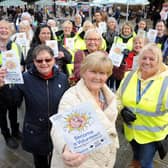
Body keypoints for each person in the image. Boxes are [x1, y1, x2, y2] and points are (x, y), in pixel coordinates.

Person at [0, 45, 69, 168]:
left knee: (57, 159)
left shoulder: (62, 78)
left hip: (58, 130)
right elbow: (13, 102)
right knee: (40, 162)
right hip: (36, 130)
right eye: (39, 60)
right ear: (34, 62)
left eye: (48, 60)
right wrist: (3, 87)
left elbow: (68, 103)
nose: (44, 63)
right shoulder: (25, 78)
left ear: (54, 60)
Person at [50, 51, 119, 168]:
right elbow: (59, 128)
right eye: (93, 72)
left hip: (104, 158)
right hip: (82, 162)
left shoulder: (108, 96)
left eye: (102, 73)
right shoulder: (71, 96)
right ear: (83, 72)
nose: (98, 77)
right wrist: (65, 147)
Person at [116, 43, 168, 168]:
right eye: (144, 58)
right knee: (136, 154)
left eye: (152, 59)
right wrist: (122, 110)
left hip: (151, 136)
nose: (147, 62)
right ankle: (135, 162)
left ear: (159, 61)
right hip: (130, 131)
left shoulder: (166, 82)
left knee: (146, 162)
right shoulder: (129, 76)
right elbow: (118, 98)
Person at [0, 20, 24, 149]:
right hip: (0, 87)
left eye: (6, 29)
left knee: (13, 110)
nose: (3, 30)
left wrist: (21, 68)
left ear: (10, 31)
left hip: (13, 86)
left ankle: (15, 130)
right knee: (2, 114)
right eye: (1, 28)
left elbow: (22, 62)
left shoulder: (16, 46)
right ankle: (7, 135)